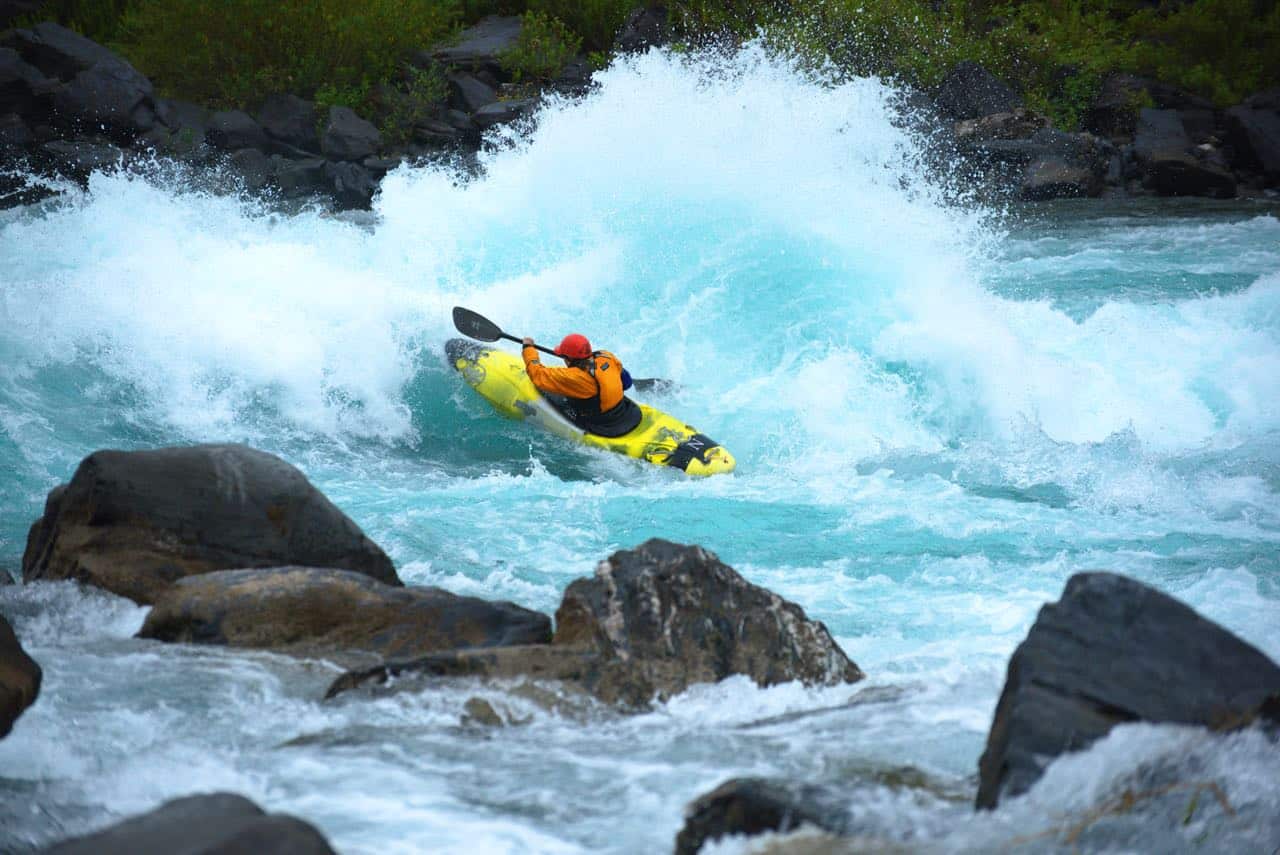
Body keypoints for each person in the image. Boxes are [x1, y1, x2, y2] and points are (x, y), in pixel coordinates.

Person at [522, 333, 643, 437]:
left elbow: (538, 375)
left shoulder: (575, 377)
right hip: (624, 411)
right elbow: (627, 383)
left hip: (602, 424)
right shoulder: (606, 356)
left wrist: (528, 348)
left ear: (568, 359)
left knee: (547, 390)